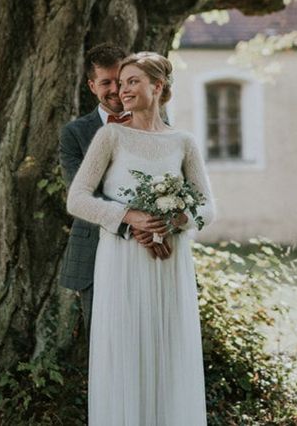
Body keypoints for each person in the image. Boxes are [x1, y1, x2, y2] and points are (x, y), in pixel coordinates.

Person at [67, 51, 216, 425]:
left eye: (132, 81)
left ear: (157, 86)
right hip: (122, 262)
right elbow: (77, 198)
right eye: (120, 83)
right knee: (126, 351)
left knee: (167, 350)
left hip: (169, 266)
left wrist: (175, 221)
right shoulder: (110, 135)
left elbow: (208, 207)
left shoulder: (183, 142)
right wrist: (130, 217)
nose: (123, 89)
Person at [59, 44, 172, 338]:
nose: (115, 89)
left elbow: (170, 184)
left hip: (152, 248)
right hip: (97, 251)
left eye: (120, 81)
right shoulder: (75, 134)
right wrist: (133, 222)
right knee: (106, 345)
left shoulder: (160, 123)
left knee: (151, 340)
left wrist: (158, 228)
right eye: (105, 82)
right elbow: (83, 194)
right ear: (92, 85)